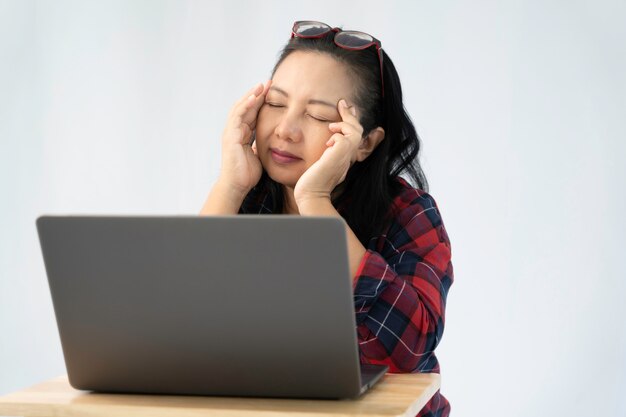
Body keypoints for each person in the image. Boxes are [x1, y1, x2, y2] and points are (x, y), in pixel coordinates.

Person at [200, 21, 453, 417]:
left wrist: (316, 201)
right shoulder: (250, 198)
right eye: (277, 104)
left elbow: (408, 349)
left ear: (365, 142)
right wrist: (229, 186)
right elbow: (188, 325)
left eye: (317, 116)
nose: (285, 130)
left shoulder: (409, 214)